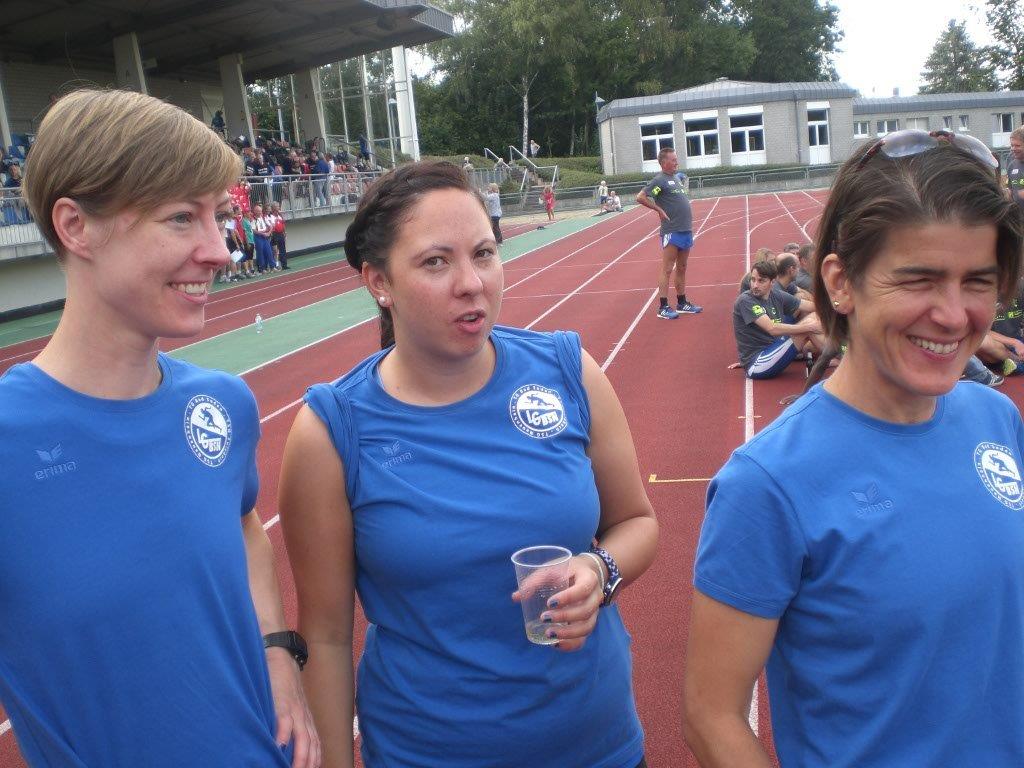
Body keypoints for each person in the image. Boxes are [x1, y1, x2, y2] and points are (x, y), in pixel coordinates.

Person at [277, 161, 658, 768]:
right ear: (378, 282)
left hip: (598, 746)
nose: (471, 283)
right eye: (436, 262)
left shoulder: (569, 372)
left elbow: (636, 521)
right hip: (427, 753)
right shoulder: (331, 431)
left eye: (484, 253)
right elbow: (324, 636)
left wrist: (599, 567)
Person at [685, 129, 1024, 766]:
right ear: (841, 283)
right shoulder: (767, 483)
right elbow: (711, 715)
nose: (955, 316)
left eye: (978, 281)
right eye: (919, 280)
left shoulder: (996, 419)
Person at [2, 88, 319, 768]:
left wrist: (277, 651)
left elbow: (243, 525)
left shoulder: (223, 405)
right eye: (181, 218)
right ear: (75, 226)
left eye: (218, 217)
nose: (220, 250)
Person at [731, 258, 822, 379]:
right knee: (808, 326)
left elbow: (811, 306)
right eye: (753, 280)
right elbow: (772, 328)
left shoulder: (776, 294)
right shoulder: (746, 300)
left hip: (774, 349)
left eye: (761, 281)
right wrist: (809, 327)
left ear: (772, 282)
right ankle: (838, 358)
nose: (755, 285)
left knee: (815, 316)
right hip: (757, 363)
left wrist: (836, 305)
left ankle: (834, 355)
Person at [637, 148, 702, 318]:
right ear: (664, 162)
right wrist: (658, 209)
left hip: (685, 229)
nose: (676, 163)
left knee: (682, 267)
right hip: (672, 230)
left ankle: (682, 302)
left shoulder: (675, 178)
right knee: (667, 269)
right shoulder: (659, 181)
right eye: (673, 160)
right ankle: (663, 306)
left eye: (676, 160)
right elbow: (641, 197)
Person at [1007, 126, 1024, 211]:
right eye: (1012, 145)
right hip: (1019, 216)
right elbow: (1010, 189)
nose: (1013, 149)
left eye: (1017, 146)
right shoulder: (1012, 165)